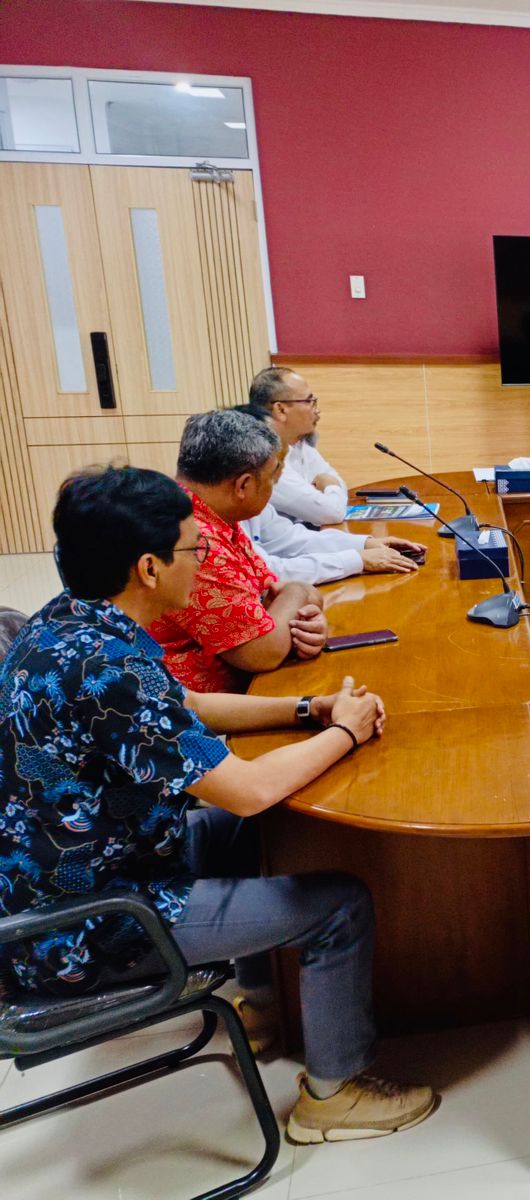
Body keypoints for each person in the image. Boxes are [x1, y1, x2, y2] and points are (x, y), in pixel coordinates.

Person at [0, 465, 439, 1142]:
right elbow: (248, 786)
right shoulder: (104, 670)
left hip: (84, 865)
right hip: (89, 920)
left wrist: (306, 708)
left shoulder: (73, 621)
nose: (204, 560)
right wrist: (345, 731)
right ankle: (335, 1093)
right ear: (149, 567)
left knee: (256, 835)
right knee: (338, 903)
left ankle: (260, 1007)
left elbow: (188, 706)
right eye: (193, 550)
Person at [150, 410, 328, 692]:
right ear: (244, 485)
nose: (273, 487)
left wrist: (306, 623)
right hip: (186, 716)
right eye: (272, 478)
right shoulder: (193, 539)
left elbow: (269, 594)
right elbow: (263, 651)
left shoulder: (203, 512)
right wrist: (299, 593)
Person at [232, 404, 425, 585]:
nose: (278, 479)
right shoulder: (211, 527)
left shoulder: (248, 500)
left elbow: (292, 540)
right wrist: (357, 560)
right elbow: (269, 572)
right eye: (274, 473)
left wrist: (364, 544)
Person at [249, 366, 348, 527]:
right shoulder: (261, 457)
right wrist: (329, 486)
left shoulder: (299, 443)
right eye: (309, 401)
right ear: (281, 410)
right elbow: (330, 512)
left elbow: (337, 482)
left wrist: (330, 486)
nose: (317, 410)